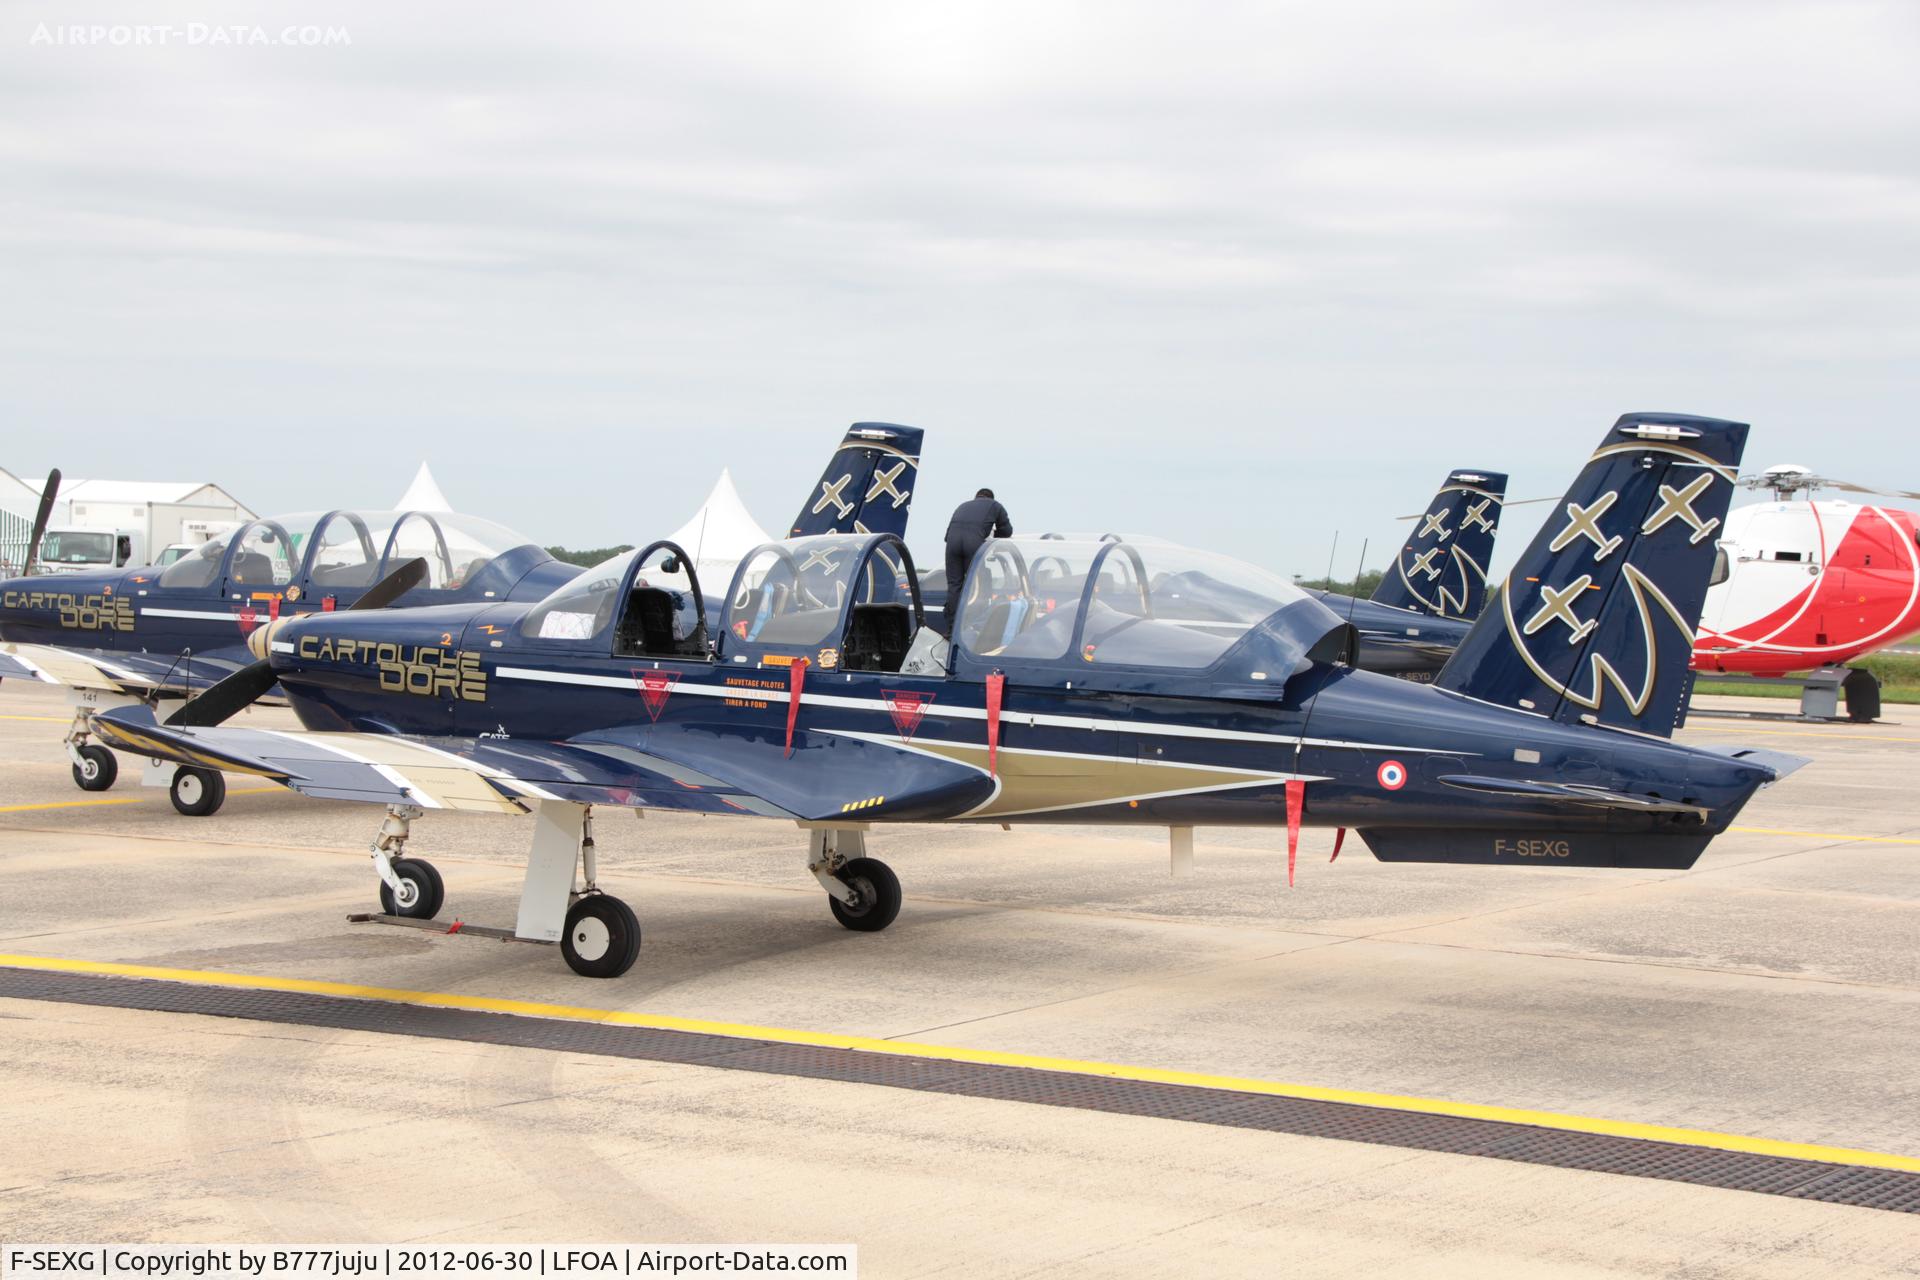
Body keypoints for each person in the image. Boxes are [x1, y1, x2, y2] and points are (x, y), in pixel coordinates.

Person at [943, 487, 1013, 636]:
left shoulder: (962, 506)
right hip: (973, 543)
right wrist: (993, 535)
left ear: (976, 497)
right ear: (991, 498)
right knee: (981, 584)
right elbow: (1007, 531)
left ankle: (951, 629)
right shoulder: (995, 506)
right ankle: (976, 625)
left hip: (952, 544)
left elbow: (947, 535)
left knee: (954, 586)